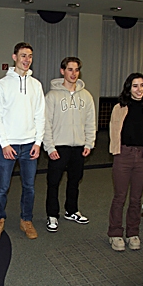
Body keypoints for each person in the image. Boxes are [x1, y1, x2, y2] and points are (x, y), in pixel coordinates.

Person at [0, 42, 45, 241]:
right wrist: (4, 144)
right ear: (14, 57)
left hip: (30, 144)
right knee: (2, 187)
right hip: (9, 145)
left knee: (29, 187)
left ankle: (26, 220)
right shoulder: (2, 85)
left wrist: (38, 142)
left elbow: (40, 115)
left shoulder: (36, 85)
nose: (27, 60)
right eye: (23, 56)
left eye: (29, 56)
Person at [43, 57, 96, 232]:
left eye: (76, 70)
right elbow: (46, 123)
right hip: (59, 146)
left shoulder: (86, 96)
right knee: (53, 182)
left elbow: (90, 122)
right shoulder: (52, 96)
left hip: (79, 146)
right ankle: (52, 215)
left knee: (74, 180)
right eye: (70, 69)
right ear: (62, 71)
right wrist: (50, 147)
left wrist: (89, 143)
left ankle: (71, 210)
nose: (73, 73)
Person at [107, 73, 143, 251]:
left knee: (136, 198)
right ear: (128, 88)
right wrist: (116, 153)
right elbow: (114, 132)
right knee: (120, 197)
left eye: (142, 85)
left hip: (142, 157)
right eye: (135, 86)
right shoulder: (119, 108)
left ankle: (132, 232)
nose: (139, 89)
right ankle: (115, 233)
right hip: (124, 155)